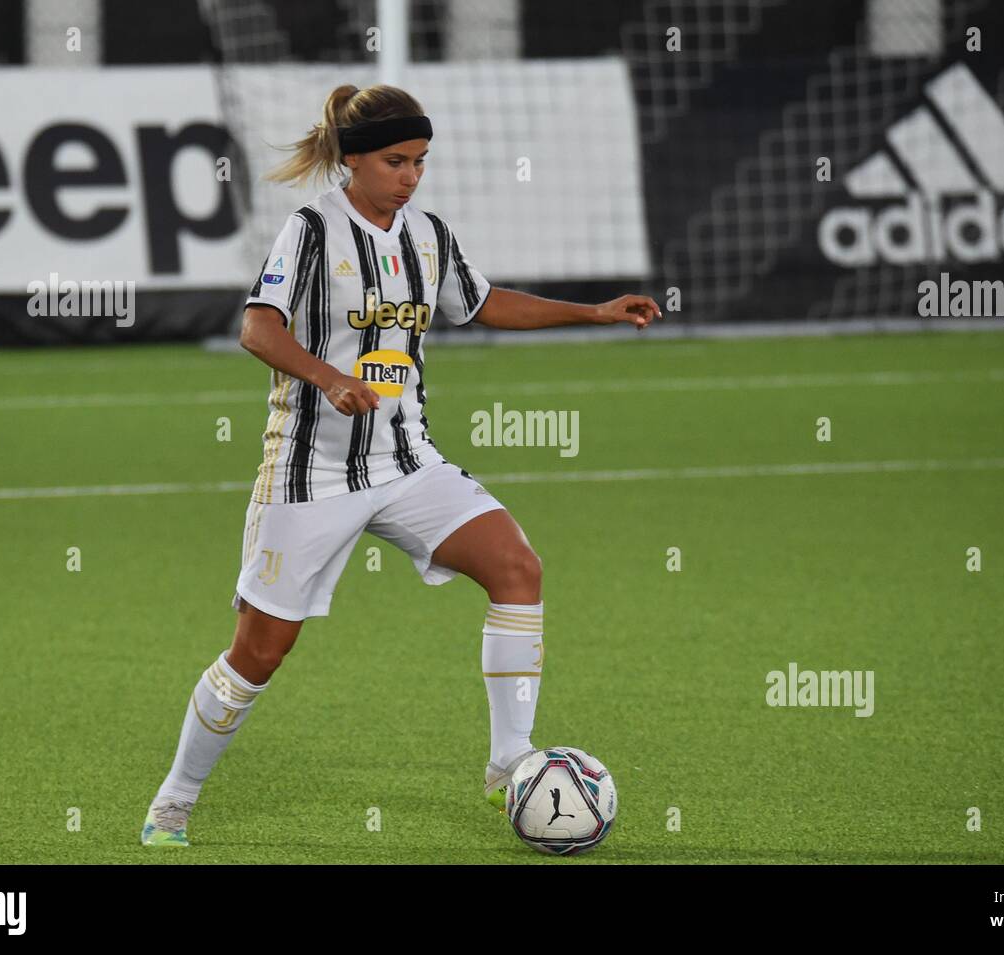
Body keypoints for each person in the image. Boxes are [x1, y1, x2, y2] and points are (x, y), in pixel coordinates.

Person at [142, 83, 660, 847]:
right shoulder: (312, 230)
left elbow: (481, 303)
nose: (411, 176)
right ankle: (173, 802)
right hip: (309, 476)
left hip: (407, 461)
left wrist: (593, 312)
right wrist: (328, 378)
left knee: (517, 567)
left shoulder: (427, 235)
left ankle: (508, 764)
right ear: (353, 160)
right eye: (395, 161)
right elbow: (257, 328)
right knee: (260, 652)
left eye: (420, 161)